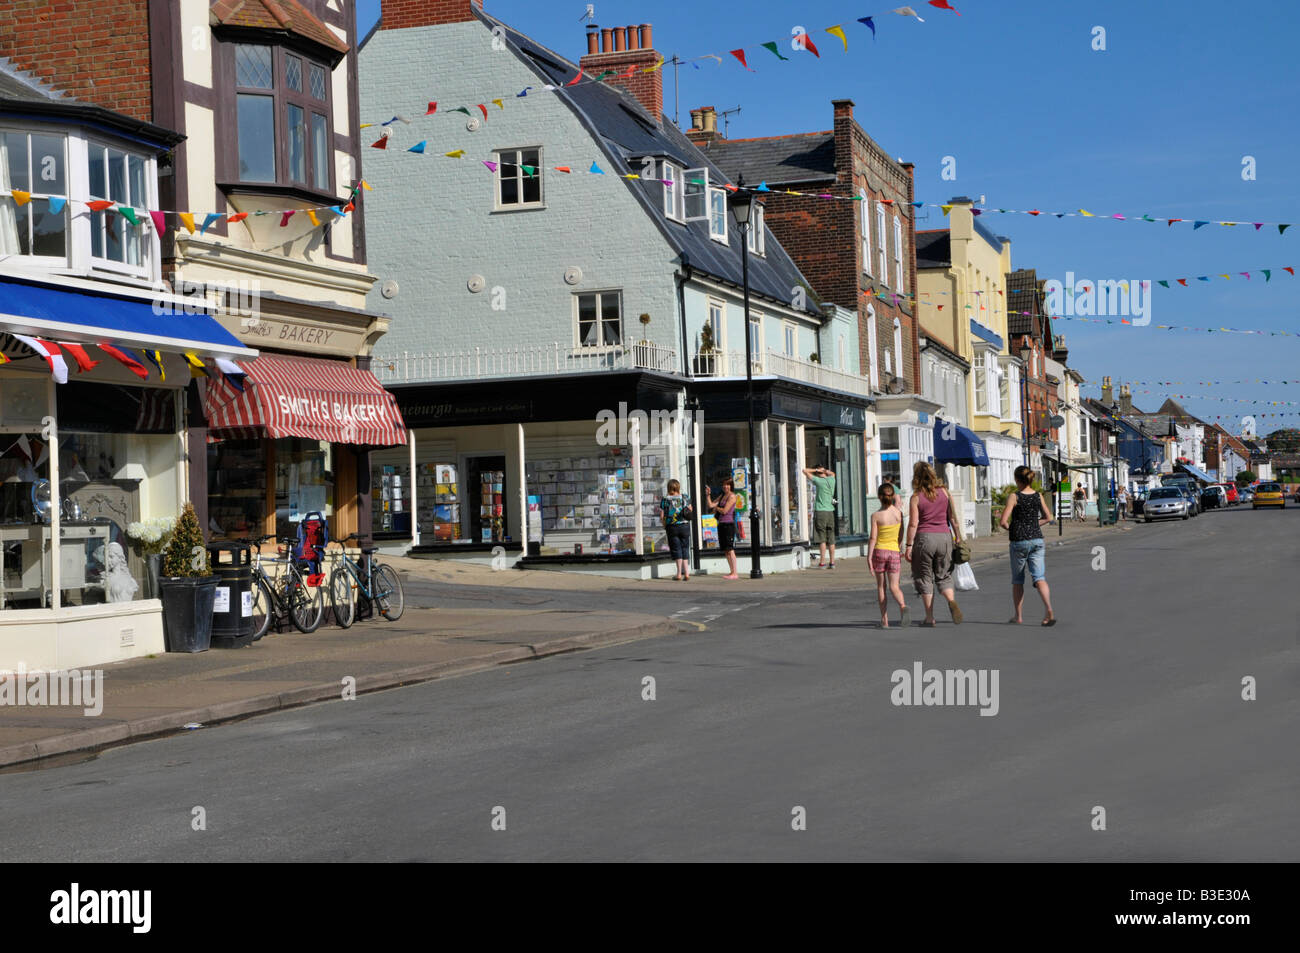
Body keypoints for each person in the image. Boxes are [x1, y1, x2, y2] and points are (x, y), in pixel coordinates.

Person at [904, 461, 964, 626]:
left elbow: (913, 524)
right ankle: (951, 600)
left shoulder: (916, 497)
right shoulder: (944, 492)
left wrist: (908, 546)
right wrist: (957, 537)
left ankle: (929, 617)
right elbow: (953, 518)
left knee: (925, 577)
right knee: (944, 574)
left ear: (916, 478)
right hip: (944, 536)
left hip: (925, 538)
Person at [999, 465, 1056, 626]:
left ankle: (1018, 616)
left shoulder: (1014, 496)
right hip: (1037, 540)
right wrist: (1034, 525)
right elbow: (1048, 516)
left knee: (1018, 580)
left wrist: (1014, 528)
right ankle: (1048, 609)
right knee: (1039, 578)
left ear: (1017, 480)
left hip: (1019, 541)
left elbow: (1003, 521)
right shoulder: (1038, 495)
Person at [868, 483, 910, 628]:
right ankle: (903, 605)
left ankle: (884, 620)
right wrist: (899, 547)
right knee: (894, 586)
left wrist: (869, 557)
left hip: (879, 551)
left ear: (879, 497)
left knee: (881, 587)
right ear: (892, 496)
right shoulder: (898, 513)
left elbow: (873, 538)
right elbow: (901, 533)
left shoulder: (875, 516)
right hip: (894, 552)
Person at [660, 478, 695, 581]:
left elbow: (662, 515)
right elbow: (690, 509)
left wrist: (664, 525)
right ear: (678, 487)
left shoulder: (665, 499)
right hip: (684, 525)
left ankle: (679, 573)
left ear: (669, 488)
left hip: (672, 526)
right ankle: (687, 573)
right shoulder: (685, 497)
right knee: (685, 547)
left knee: (676, 549)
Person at [803, 465, 837, 568]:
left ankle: (822, 562)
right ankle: (832, 562)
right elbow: (833, 473)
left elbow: (804, 470)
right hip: (830, 511)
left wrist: (816, 470)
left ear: (818, 473)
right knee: (831, 539)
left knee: (822, 538)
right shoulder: (831, 480)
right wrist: (825, 470)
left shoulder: (818, 481)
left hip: (821, 512)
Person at [705, 479, 739, 580]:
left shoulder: (732, 496)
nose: (726, 487)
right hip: (721, 524)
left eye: (728, 485)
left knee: (730, 549)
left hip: (728, 524)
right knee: (725, 550)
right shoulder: (722, 496)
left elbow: (725, 511)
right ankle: (731, 571)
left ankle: (735, 573)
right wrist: (708, 495)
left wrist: (717, 509)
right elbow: (711, 505)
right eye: (724, 485)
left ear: (731, 486)